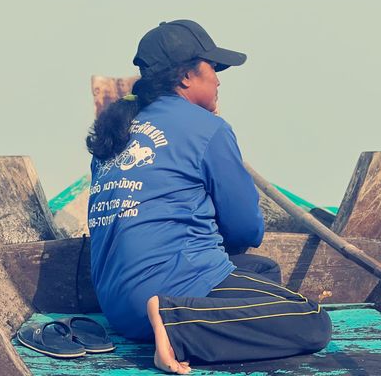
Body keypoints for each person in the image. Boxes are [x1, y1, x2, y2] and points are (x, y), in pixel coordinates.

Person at [85, 20, 332, 374]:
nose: (218, 79)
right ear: (186, 76)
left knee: (265, 271)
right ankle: (175, 323)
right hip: (167, 288)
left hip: (118, 304)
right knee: (312, 322)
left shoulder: (118, 128)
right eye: (212, 69)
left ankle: (180, 321)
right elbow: (246, 230)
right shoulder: (208, 128)